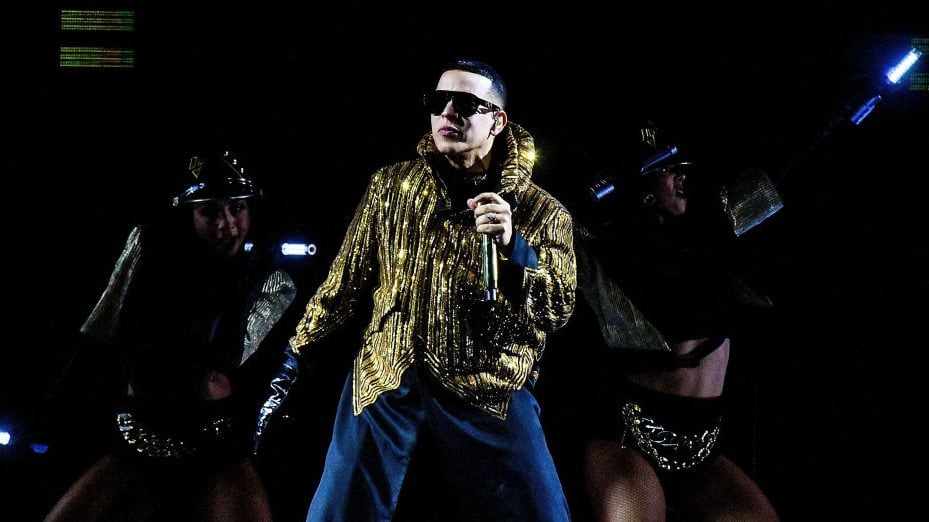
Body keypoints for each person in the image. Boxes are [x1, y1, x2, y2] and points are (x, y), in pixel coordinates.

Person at [260, 58, 576, 521]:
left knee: (539, 511)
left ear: (497, 121)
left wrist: (515, 249)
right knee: (337, 509)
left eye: (465, 104)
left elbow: (558, 308)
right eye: (438, 101)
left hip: (490, 382)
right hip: (387, 374)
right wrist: (293, 359)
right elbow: (343, 284)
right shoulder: (392, 187)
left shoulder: (542, 211)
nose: (448, 113)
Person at [44, 149, 298, 521]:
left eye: (238, 208)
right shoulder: (147, 250)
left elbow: (228, 357)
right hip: (136, 435)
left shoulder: (270, 280)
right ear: (188, 214)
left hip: (214, 440)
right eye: (210, 212)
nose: (228, 225)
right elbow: (99, 332)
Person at [546, 122, 781, 521]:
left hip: (702, 447)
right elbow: (551, 221)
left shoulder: (712, 232)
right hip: (629, 441)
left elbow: (778, 175)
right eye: (668, 174)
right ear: (642, 188)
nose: (681, 181)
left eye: (681, 172)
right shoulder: (609, 249)